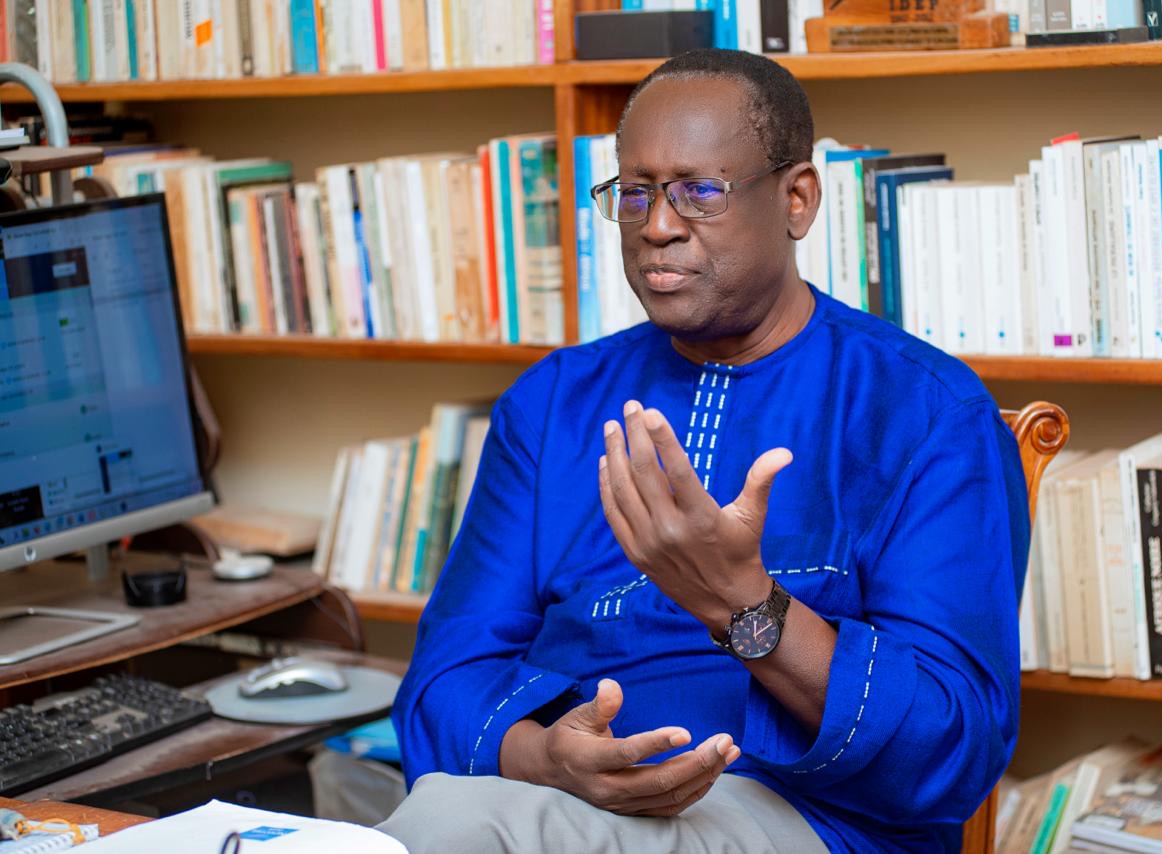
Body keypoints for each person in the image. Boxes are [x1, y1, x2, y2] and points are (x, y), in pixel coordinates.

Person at [379, 48, 1029, 853]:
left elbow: (952, 746)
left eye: (700, 191)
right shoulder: (551, 405)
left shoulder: (928, 415)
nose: (657, 225)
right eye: (636, 193)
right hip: (551, 803)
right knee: (447, 822)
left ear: (796, 200)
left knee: (450, 831)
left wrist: (740, 603)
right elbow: (444, 680)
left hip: (804, 815)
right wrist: (545, 759)